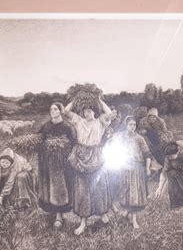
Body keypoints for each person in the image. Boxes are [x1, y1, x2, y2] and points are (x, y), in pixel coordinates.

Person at [65, 95, 112, 235]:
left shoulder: (100, 121)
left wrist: (98, 100)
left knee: (100, 186)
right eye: (85, 111)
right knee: (82, 189)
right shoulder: (78, 121)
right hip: (82, 156)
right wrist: (77, 97)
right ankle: (83, 222)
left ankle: (102, 213)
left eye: (90, 111)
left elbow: (109, 113)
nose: (87, 113)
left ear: (95, 112)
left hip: (96, 156)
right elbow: (66, 111)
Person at [37, 102, 76, 229]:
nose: (52, 111)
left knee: (59, 188)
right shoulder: (45, 126)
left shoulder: (67, 127)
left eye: (55, 109)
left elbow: (73, 144)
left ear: (60, 111)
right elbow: (39, 141)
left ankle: (59, 216)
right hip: (47, 162)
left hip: (61, 164)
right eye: (51, 109)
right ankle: (51, 211)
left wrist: (62, 150)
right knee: (48, 187)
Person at [113, 116, 152, 229]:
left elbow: (147, 154)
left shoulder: (139, 138)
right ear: (126, 125)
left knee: (135, 194)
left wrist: (148, 168)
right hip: (124, 168)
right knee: (125, 191)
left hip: (136, 168)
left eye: (134, 125)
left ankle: (134, 219)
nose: (132, 127)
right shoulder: (121, 138)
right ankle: (126, 211)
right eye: (130, 124)